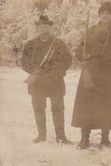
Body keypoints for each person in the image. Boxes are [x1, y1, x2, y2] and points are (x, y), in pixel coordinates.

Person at [71, 2, 111, 150]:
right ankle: (84, 138)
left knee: (108, 106)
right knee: (87, 106)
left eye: (109, 13)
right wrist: (83, 54)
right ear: (99, 15)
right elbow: (79, 51)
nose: (105, 15)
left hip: (110, 77)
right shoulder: (90, 32)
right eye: (103, 12)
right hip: (91, 75)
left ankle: (105, 138)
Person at [21, 15, 73, 144]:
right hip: (37, 82)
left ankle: (61, 136)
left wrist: (55, 72)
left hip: (55, 81)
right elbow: (24, 63)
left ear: (50, 28)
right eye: (42, 27)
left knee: (58, 109)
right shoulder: (30, 45)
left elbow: (67, 60)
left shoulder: (59, 43)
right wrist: (35, 71)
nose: (45, 30)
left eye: (47, 27)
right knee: (38, 109)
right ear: (37, 29)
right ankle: (41, 135)